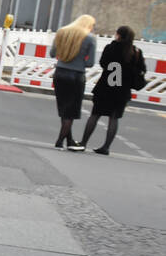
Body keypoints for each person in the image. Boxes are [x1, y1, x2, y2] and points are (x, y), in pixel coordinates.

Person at [80, 25, 145, 154]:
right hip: (122, 90)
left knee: (95, 115)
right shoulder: (135, 52)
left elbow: (103, 63)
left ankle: (83, 143)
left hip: (106, 87)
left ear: (119, 35)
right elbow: (142, 69)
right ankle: (106, 147)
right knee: (114, 118)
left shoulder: (111, 48)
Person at [51, 14, 97, 150]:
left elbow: (52, 53)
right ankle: (59, 141)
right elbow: (90, 63)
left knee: (64, 109)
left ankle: (69, 139)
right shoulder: (89, 38)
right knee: (71, 111)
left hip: (59, 73)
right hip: (76, 76)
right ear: (88, 25)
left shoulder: (62, 32)